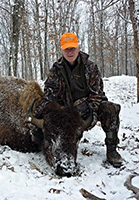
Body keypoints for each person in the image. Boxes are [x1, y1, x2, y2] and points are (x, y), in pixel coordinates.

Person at [35, 32, 123, 167]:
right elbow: (49, 94)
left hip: (88, 107)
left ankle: (112, 150)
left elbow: (97, 95)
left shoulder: (90, 67)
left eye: (72, 48)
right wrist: (39, 112)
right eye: (66, 49)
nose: (70, 52)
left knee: (110, 109)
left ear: (78, 48)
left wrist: (91, 112)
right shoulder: (56, 69)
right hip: (67, 111)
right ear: (62, 50)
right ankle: (58, 148)